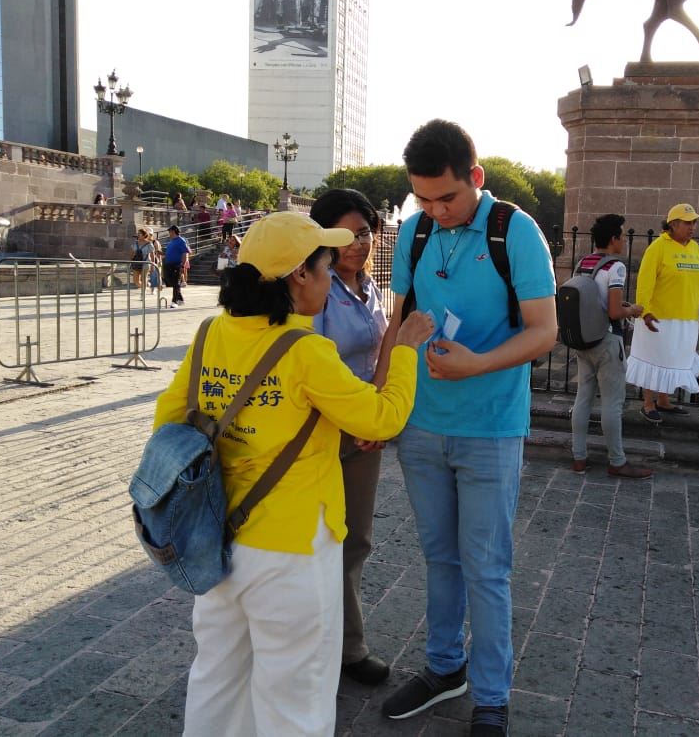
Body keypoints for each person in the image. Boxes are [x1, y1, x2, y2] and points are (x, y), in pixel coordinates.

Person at [154, 210, 433, 736]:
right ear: (299, 275)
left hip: (215, 536)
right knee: (296, 694)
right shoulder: (305, 351)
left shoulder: (211, 333)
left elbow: (167, 422)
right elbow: (381, 418)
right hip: (291, 547)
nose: (331, 278)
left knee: (218, 678)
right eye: (325, 267)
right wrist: (404, 351)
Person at [376, 119, 557, 736]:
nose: (435, 210)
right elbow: (396, 323)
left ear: (475, 177)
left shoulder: (515, 232)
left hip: (490, 428)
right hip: (422, 424)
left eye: (446, 197)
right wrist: (382, 402)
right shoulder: (415, 231)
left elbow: (544, 331)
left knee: (486, 565)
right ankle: (443, 666)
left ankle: (492, 697)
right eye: (422, 199)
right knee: (440, 557)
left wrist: (478, 363)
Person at [309, 188, 392, 685]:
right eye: (345, 236)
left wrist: (375, 415)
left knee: (355, 540)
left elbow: (381, 354)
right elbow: (315, 363)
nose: (358, 244)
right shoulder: (316, 288)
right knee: (319, 539)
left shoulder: (370, 287)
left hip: (363, 432)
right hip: (322, 431)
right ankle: (320, 646)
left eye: (364, 233)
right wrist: (358, 417)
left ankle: (346, 646)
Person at [569, 214, 652, 479]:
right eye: (623, 236)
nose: (624, 241)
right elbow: (614, 312)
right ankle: (617, 461)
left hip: (584, 340)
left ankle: (579, 457)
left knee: (583, 398)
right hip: (606, 340)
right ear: (614, 239)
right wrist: (634, 310)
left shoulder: (583, 263)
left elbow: (594, 301)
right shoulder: (616, 267)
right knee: (612, 404)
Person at [626, 203, 699, 422]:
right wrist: (645, 312)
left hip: (687, 318)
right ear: (673, 224)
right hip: (659, 318)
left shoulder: (694, 248)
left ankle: (664, 400)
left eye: (694, 222)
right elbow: (645, 284)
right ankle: (648, 404)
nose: (692, 227)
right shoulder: (658, 248)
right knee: (654, 357)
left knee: (673, 359)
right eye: (687, 223)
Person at [162, 225, 190, 308]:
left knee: (176, 283)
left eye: (170, 231)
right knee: (170, 281)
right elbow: (169, 253)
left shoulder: (181, 241)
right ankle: (180, 299)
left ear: (173, 231)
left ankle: (175, 301)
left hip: (176, 264)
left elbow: (185, 253)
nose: (169, 233)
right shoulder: (172, 241)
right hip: (168, 264)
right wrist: (161, 253)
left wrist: (182, 265)